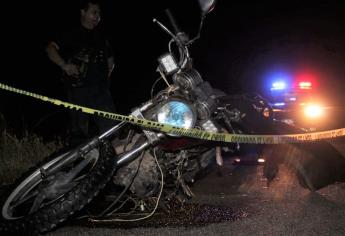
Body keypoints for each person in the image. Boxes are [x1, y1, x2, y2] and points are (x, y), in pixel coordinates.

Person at [46, 0, 117, 146]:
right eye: (94, 12)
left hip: (101, 91)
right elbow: (49, 48)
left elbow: (110, 60)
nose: (98, 16)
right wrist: (64, 65)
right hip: (79, 91)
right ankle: (78, 164)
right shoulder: (72, 33)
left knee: (112, 130)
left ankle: (115, 162)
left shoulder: (102, 35)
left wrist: (109, 69)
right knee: (79, 135)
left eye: (99, 13)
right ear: (83, 12)